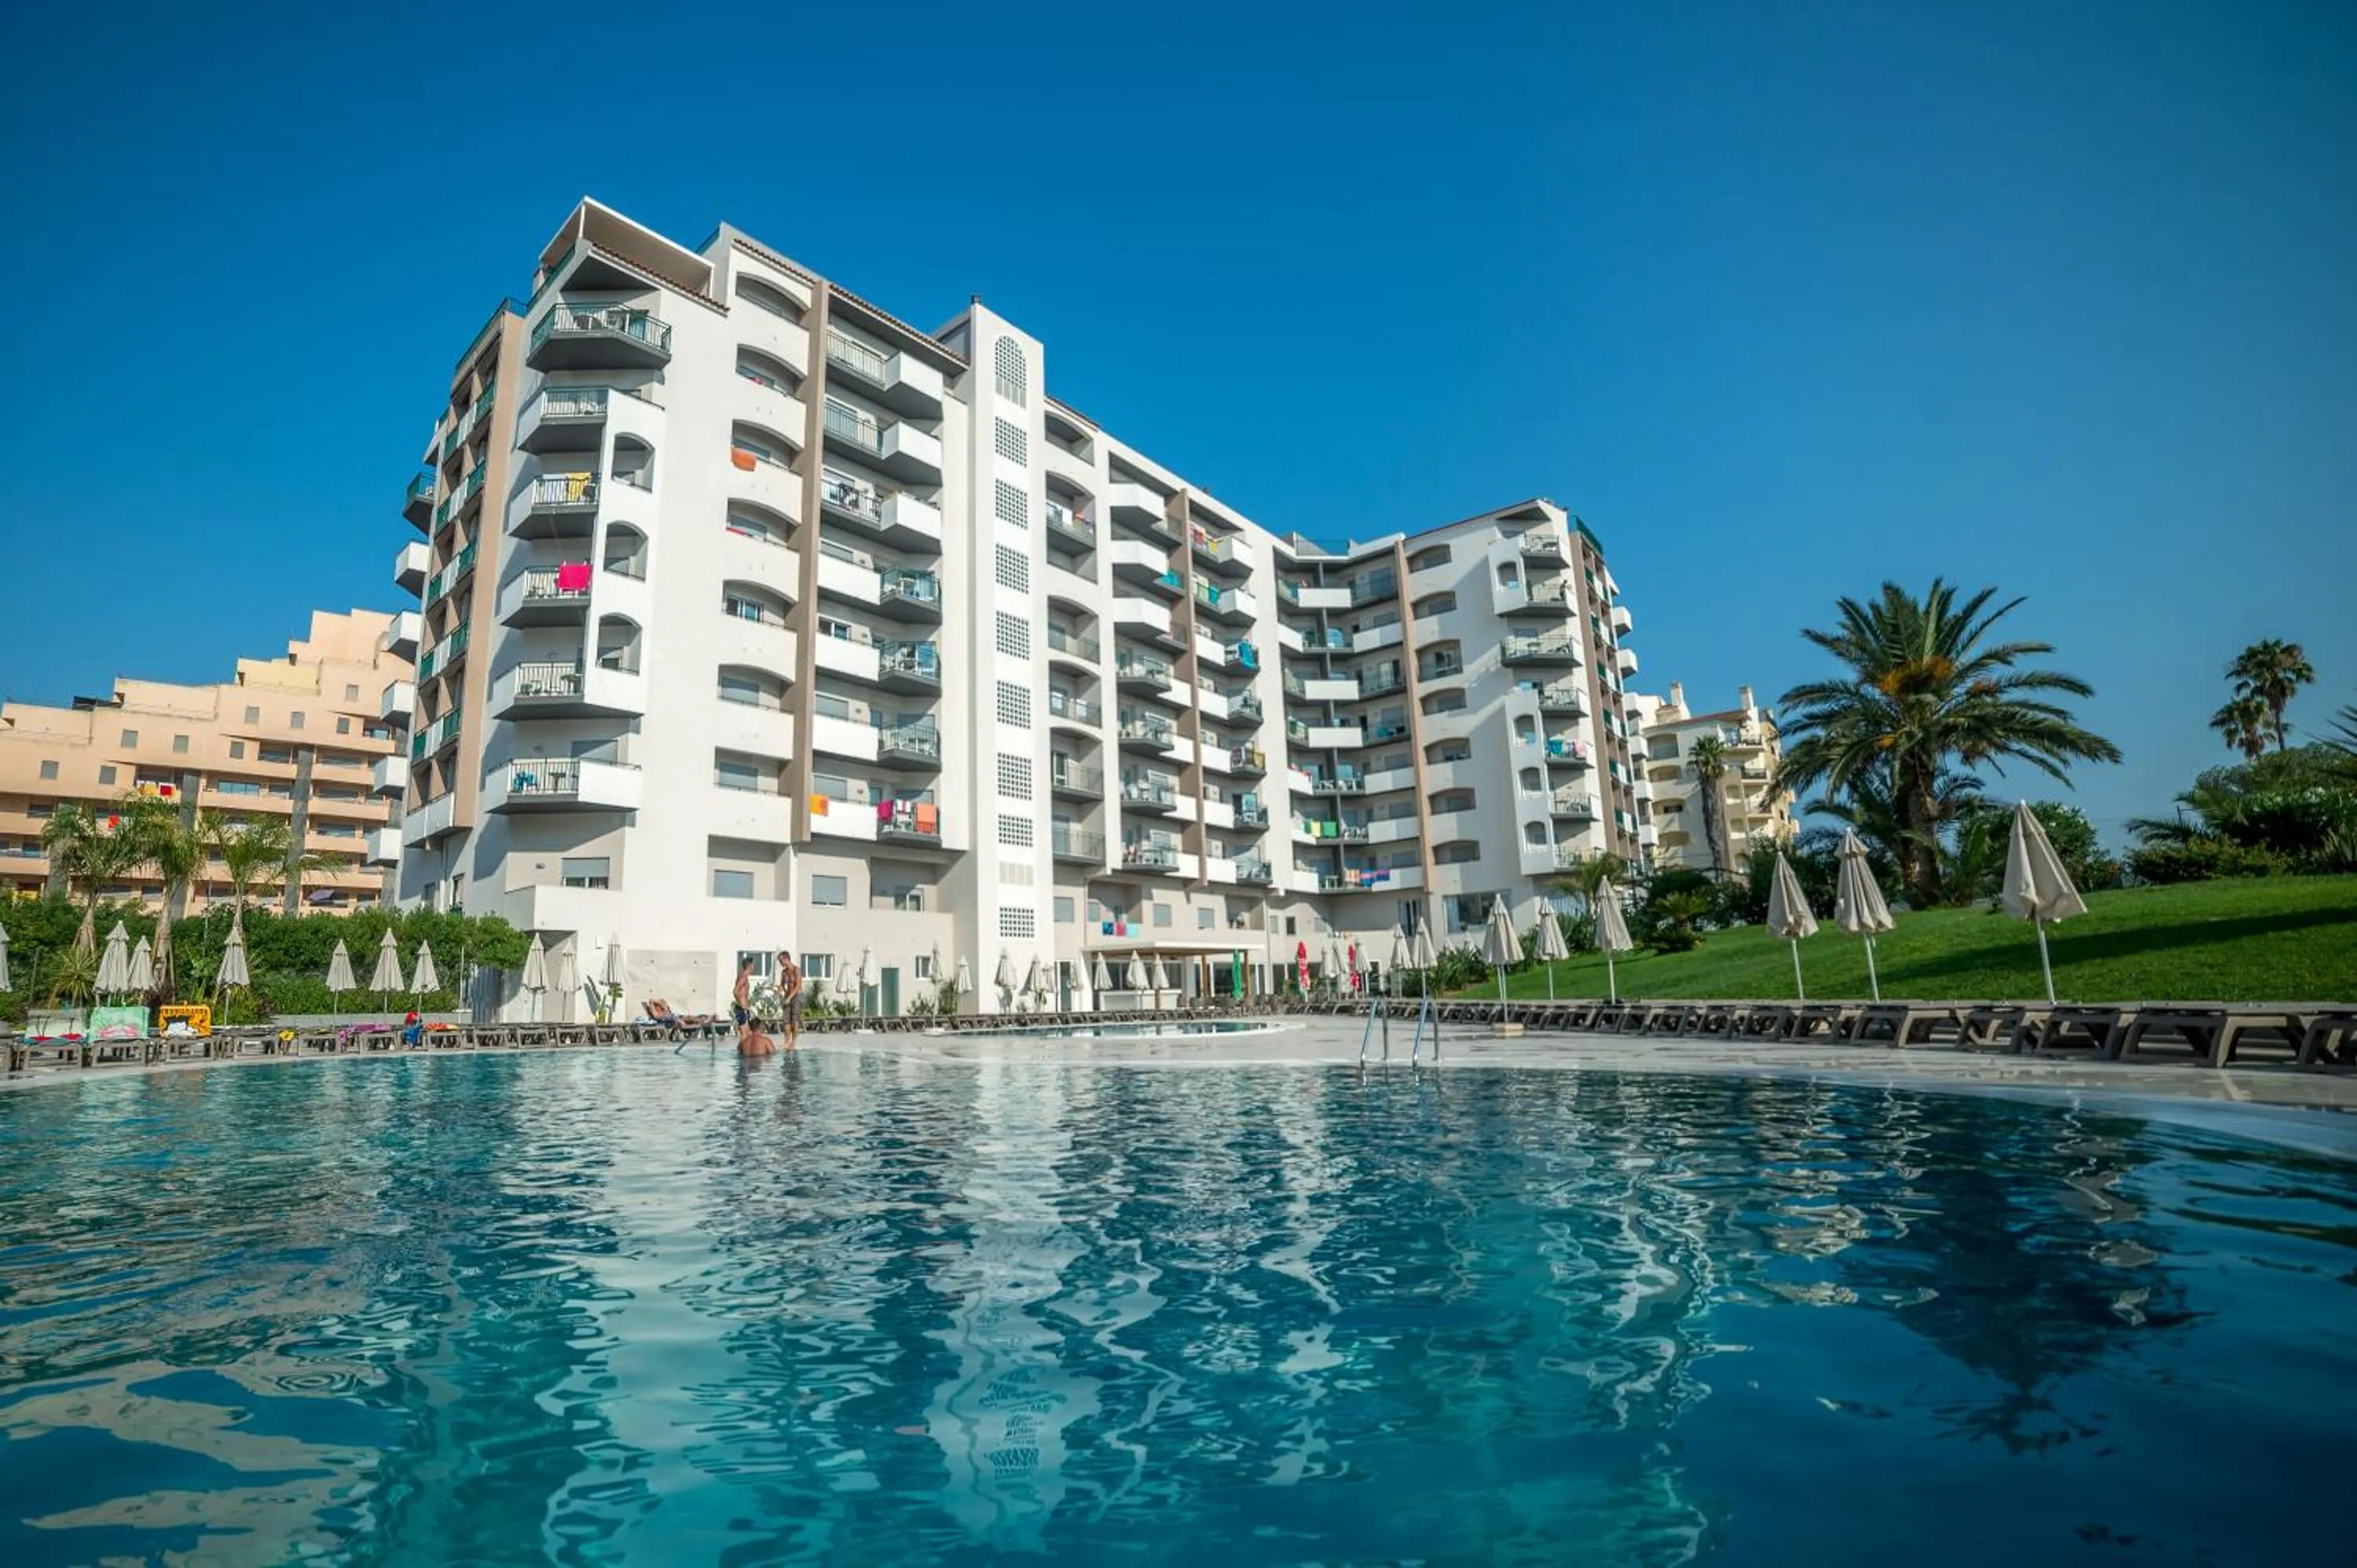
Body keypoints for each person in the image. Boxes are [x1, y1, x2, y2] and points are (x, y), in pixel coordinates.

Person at [732, 957, 774, 1058]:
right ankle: (742, 1056)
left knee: (747, 1032)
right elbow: (735, 991)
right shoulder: (743, 976)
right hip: (742, 1009)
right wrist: (742, 1004)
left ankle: (744, 1055)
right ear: (750, 965)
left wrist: (747, 1003)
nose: (754, 967)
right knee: (744, 1033)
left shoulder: (743, 976)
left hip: (744, 1009)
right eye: (753, 965)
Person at [776, 949, 805, 1051]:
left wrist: (789, 998)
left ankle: (794, 1042)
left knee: (794, 1020)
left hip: (797, 996)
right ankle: (787, 1041)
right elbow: (782, 984)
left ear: (786, 959)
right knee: (786, 1020)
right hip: (788, 996)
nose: (780, 963)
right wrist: (778, 991)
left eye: (781, 961)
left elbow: (798, 986)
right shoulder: (784, 972)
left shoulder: (796, 970)